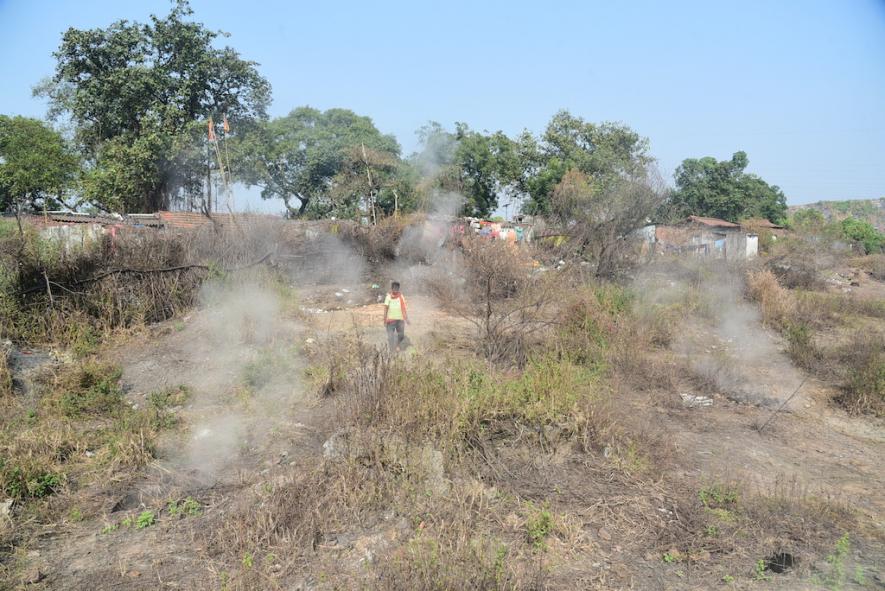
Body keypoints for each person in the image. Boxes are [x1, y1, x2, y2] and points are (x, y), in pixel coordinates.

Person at [383, 281, 409, 352]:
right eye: (394, 288)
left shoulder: (401, 297)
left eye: (397, 288)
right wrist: (384, 319)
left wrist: (406, 319)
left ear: (398, 288)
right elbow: (385, 309)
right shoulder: (388, 297)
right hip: (390, 321)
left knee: (401, 335)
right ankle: (392, 351)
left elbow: (404, 308)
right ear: (391, 288)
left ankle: (397, 346)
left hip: (400, 320)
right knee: (390, 337)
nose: (395, 289)